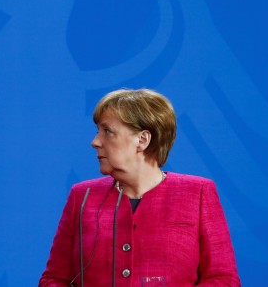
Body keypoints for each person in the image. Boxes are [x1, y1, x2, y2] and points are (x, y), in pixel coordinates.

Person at [39, 88, 240, 286]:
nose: (95, 142)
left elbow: (223, 279)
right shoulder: (82, 196)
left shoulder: (198, 193)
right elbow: (53, 280)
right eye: (98, 131)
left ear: (142, 140)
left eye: (107, 131)